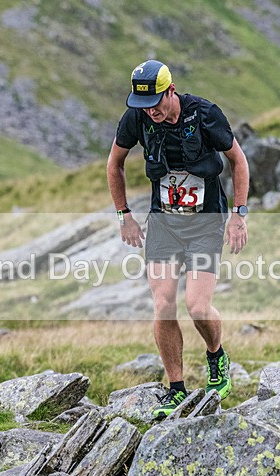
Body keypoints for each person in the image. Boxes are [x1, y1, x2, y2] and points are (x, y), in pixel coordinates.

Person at [106, 59, 250, 419]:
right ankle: (176, 389)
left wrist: (239, 214)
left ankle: (216, 355)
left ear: (171, 91)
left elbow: (239, 161)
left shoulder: (204, 114)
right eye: (143, 104)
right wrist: (124, 215)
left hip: (205, 223)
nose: (150, 110)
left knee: (198, 306)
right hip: (164, 225)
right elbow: (115, 163)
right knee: (163, 304)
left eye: (156, 101)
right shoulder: (137, 118)